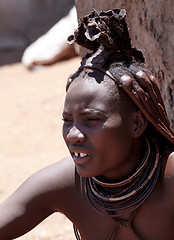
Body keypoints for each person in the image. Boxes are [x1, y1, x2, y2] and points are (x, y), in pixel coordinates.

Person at [0, 8, 174, 240]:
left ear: (136, 123)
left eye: (91, 120)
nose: (73, 135)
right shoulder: (68, 183)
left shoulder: (169, 180)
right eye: (67, 120)